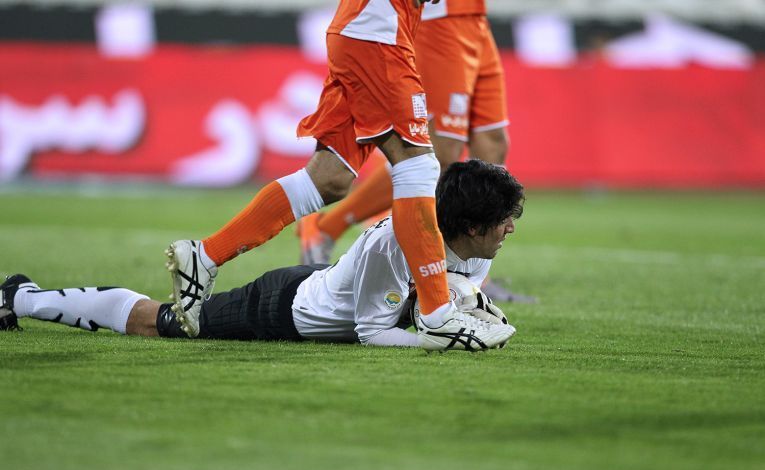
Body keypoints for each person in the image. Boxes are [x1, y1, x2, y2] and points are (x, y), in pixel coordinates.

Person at [164, 0, 511, 350]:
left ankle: (204, 255)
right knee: (418, 165)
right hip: (379, 30)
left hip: (374, 29)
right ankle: (439, 316)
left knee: (329, 178)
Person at [2, 161, 524, 351]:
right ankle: (20, 296)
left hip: (328, 286)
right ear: (470, 226)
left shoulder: (478, 246)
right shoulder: (392, 243)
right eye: (503, 221)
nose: (510, 230)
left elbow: (420, 304)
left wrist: (462, 308)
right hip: (285, 308)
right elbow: (372, 331)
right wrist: (442, 339)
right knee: (160, 324)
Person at [297, 0, 535, 303]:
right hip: (439, 22)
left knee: (493, 143)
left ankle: (476, 273)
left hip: (475, 18)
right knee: (439, 156)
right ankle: (327, 227)